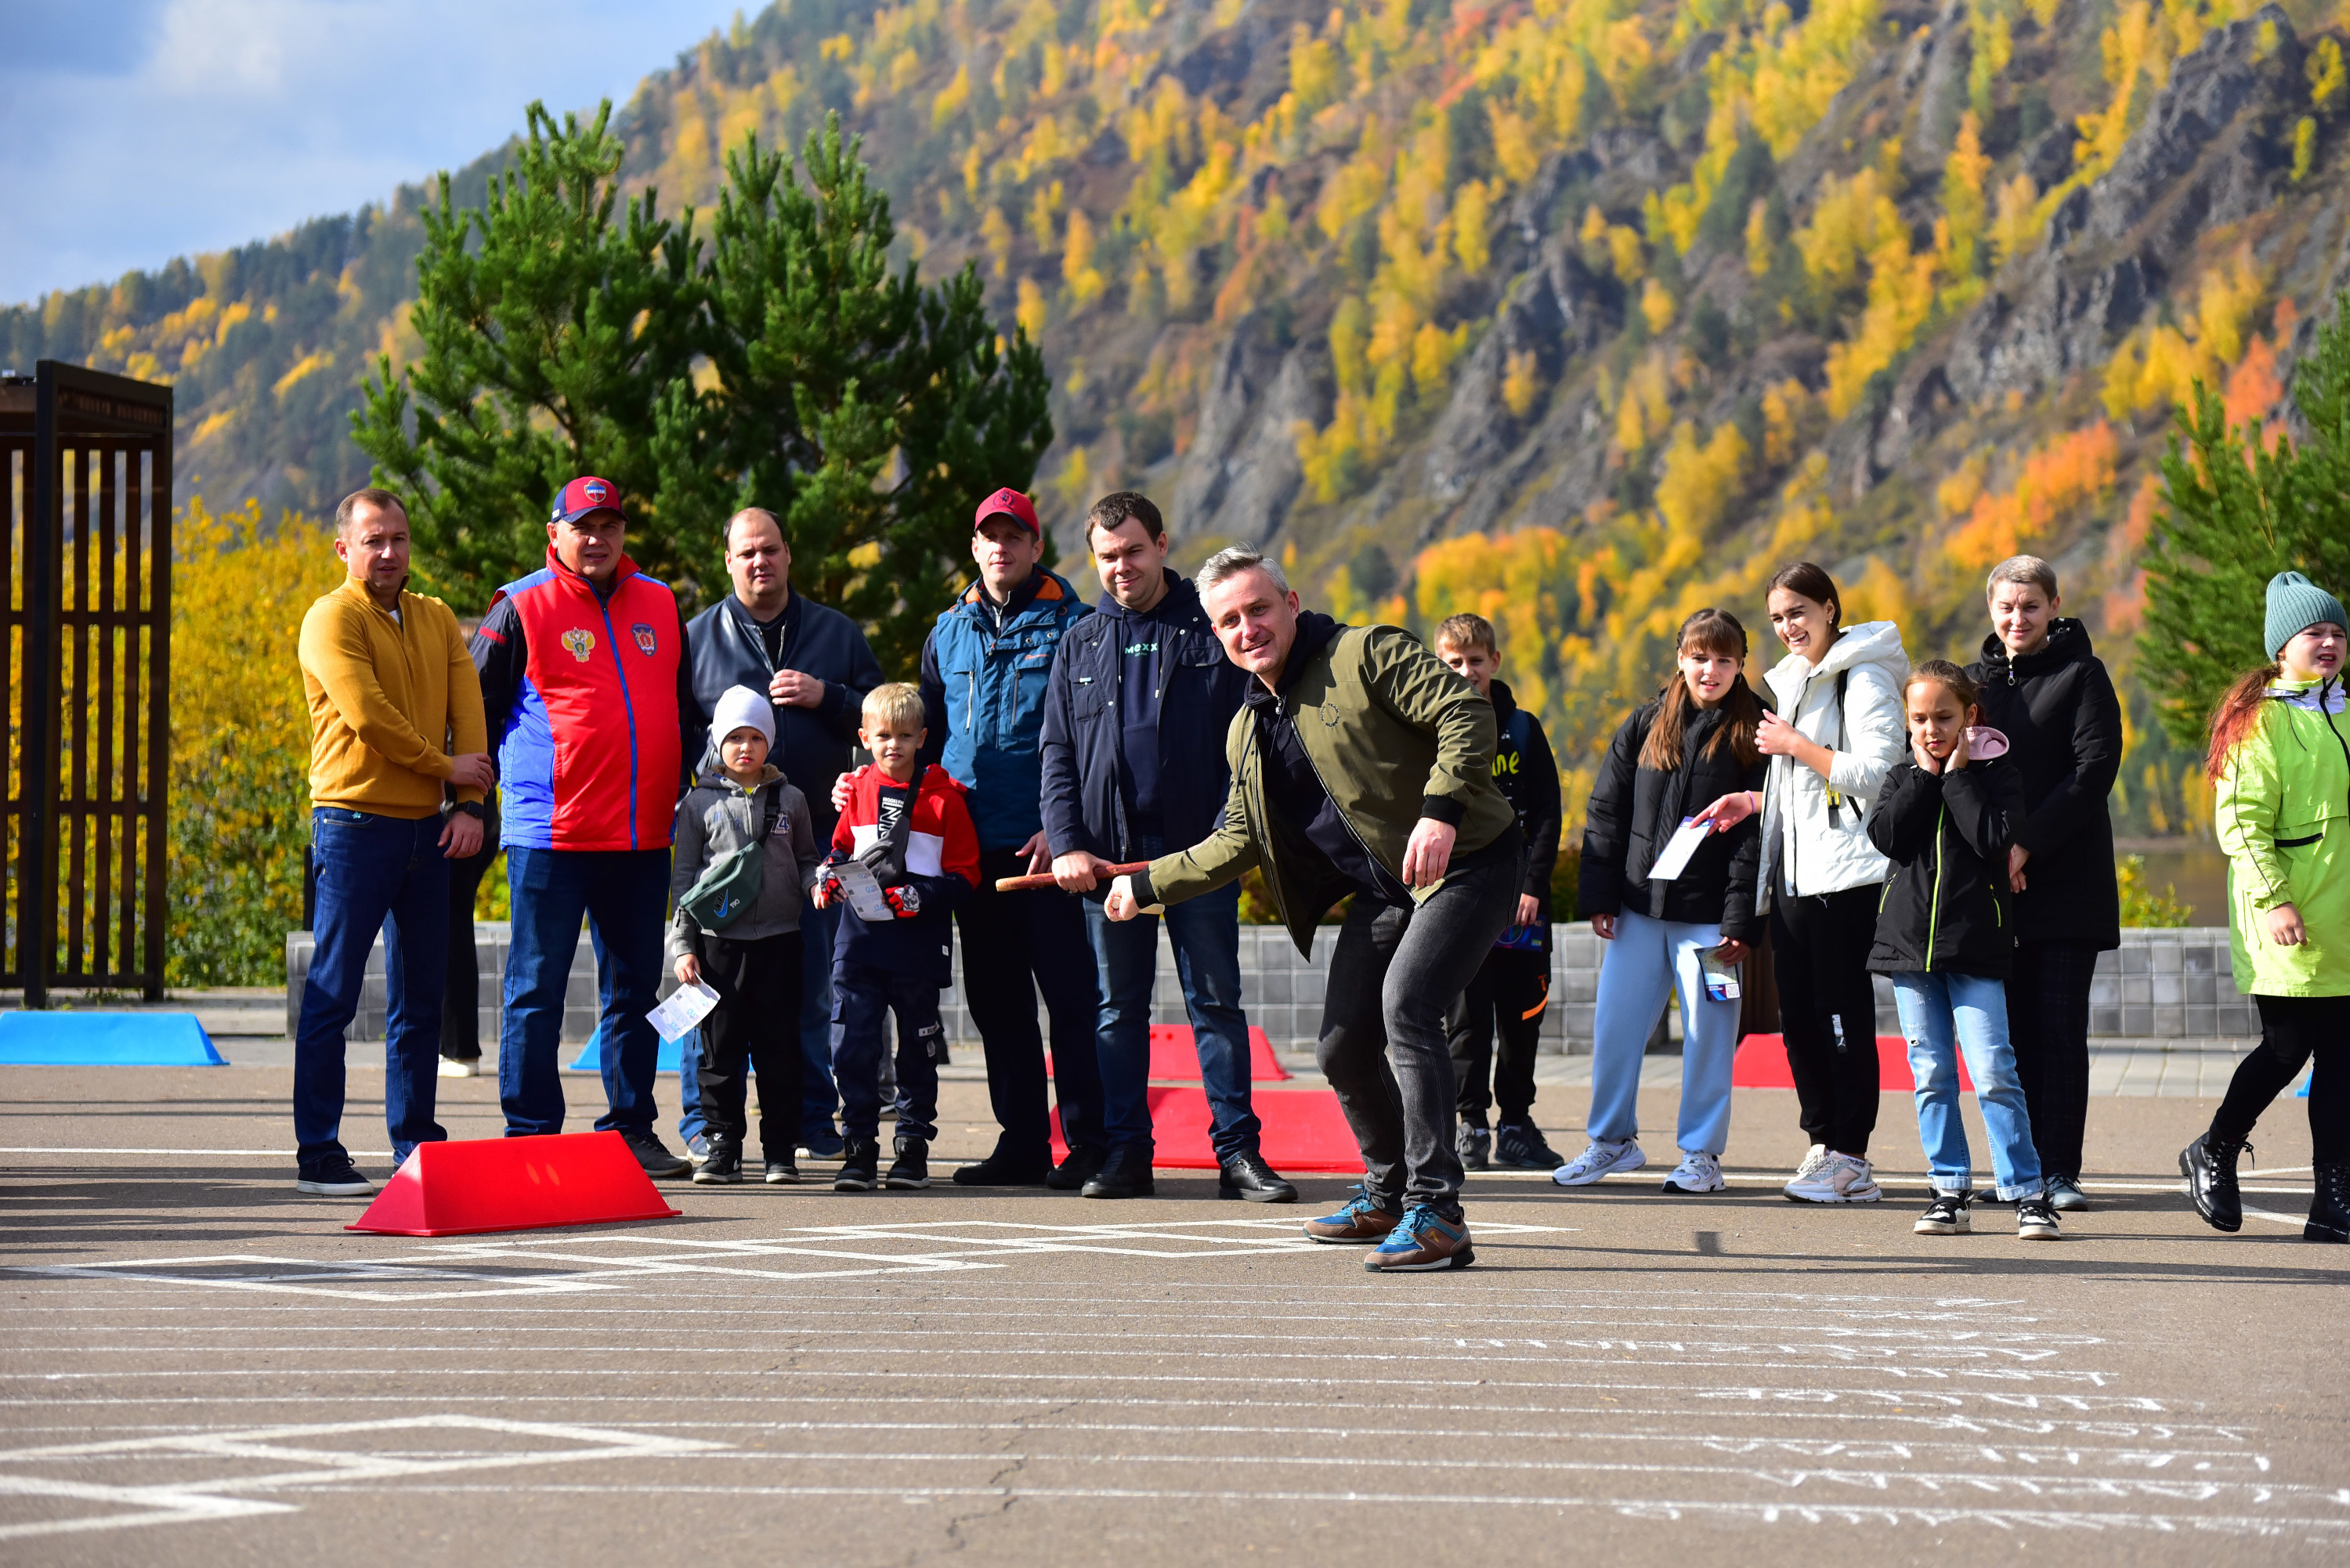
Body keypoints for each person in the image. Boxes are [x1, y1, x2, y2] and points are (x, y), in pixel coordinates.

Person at [1105, 544, 1521, 1272]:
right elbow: (1233, 840)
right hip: (1390, 890)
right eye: (1229, 620)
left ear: (1291, 604)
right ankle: (1387, 1194)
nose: (1248, 628)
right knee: (1339, 1047)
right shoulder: (1249, 729)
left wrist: (1441, 810)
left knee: (1409, 1006)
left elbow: (1464, 712)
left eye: (1259, 608)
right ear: (1217, 635)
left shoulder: (1367, 653)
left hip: (1470, 860)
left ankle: (1437, 1212)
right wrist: (1143, 886)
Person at [1039, 492, 1296, 1202]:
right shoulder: (1079, 641)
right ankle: (1127, 1155)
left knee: (1214, 1005)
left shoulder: (1207, 625)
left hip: (1197, 860)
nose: (1121, 568)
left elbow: (1248, 741)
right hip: (1106, 863)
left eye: (1133, 551)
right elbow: (1057, 753)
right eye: (1106, 557)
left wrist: (1226, 836)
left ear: (1160, 544)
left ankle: (1238, 1155)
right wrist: (1066, 844)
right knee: (1118, 1012)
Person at [471, 475, 696, 1175]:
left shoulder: (660, 602)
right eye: (582, 526)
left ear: (623, 533)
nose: (596, 539)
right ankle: (531, 1133)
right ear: (555, 534)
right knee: (536, 988)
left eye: (609, 525)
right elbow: (473, 706)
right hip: (552, 834)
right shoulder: (519, 605)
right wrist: (469, 803)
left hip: (640, 835)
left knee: (635, 989)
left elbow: (683, 711)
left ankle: (630, 1127)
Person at [906, 487, 1107, 1189]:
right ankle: (1022, 1143)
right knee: (998, 1005)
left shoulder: (1076, 626)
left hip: (1048, 850)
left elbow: (1094, 740)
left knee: (1072, 1001)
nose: (1001, 547)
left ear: (1035, 547)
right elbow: (922, 741)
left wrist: (1065, 826)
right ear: (974, 547)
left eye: (1014, 537)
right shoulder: (946, 632)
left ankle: (1088, 1144)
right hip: (970, 854)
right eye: (989, 536)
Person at [291, 487, 490, 1194]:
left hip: (428, 830)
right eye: (373, 540)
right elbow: (369, 715)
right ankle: (319, 1151)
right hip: (352, 824)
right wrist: (445, 769)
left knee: (421, 996)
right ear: (344, 548)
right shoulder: (329, 618)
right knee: (334, 991)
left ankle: (416, 1146)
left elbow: (469, 712)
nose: (388, 552)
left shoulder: (437, 618)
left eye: (399, 538)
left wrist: (468, 801)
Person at [1693, 564, 1907, 1203]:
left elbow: (1880, 772)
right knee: (1801, 1020)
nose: (1789, 627)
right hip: (1793, 872)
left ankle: (1853, 1156)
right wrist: (1754, 801)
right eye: (1779, 617)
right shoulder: (1791, 682)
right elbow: (1802, 786)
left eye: (1799, 613)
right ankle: (1822, 1142)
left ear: (1830, 610)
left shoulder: (1863, 675)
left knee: (1842, 1015)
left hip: (1845, 875)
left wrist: (1795, 743)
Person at [681, 507, 884, 1163]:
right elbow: (676, 736)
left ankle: (809, 1123)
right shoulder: (697, 639)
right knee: (709, 1002)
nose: (759, 562)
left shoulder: (835, 632)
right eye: (747, 553)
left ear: (788, 555)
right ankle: (703, 1126)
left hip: (815, 851)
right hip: (719, 861)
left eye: (770, 549)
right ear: (729, 562)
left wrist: (829, 696)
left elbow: (887, 720)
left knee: (809, 994)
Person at [1555, 609, 1766, 1197]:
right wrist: (1599, 893)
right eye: (1700, 657)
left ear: (1740, 664)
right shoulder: (1645, 722)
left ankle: (1701, 1155)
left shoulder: (1756, 732)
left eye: (1725, 659)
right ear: (1681, 658)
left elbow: (1755, 842)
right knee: (1616, 1028)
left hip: (1711, 924)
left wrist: (1740, 922)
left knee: (1709, 1037)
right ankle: (1612, 1143)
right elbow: (1606, 811)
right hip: (1637, 912)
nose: (1711, 670)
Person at [2181, 573, 2350, 1243]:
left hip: (2344, 915)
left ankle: (2334, 1198)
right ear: (2283, 648)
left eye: (2338, 631)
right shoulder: (2263, 721)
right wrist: (2276, 900)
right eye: (2315, 633)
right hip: (2286, 914)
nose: (2330, 641)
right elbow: (2242, 824)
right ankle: (2215, 1148)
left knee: (2342, 1057)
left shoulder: (2345, 711)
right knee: (2287, 1048)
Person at [1867, 659, 2059, 1241]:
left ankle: (2027, 1192)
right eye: (1919, 718)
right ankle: (1949, 1188)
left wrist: (1955, 778)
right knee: (1930, 1072)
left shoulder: (1998, 774)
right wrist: (1926, 779)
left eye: (1943, 717)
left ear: (1969, 716)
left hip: (1976, 947)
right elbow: (1888, 838)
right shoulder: (1902, 776)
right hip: (1909, 952)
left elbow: (1993, 840)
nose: (1931, 728)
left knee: (1995, 1068)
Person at [1965, 555, 2122, 1213]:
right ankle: (2014, 1169)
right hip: (1993, 887)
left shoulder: (2083, 675)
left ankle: (2058, 1170)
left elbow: (2092, 771)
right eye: (2006, 606)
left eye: (2030, 606)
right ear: (1992, 611)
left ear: (2055, 606)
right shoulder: (1973, 682)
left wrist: (2026, 844)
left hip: (2066, 886)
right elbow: (1954, 774)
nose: (2017, 618)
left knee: (2057, 1033)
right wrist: (1994, 850)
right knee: (2001, 1039)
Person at [815, 683, 982, 1191]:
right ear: (865, 737)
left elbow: (966, 875)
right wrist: (825, 880)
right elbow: (838, 851)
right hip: (859, 945)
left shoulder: (944, 798)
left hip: (916, 949)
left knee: (917, 1051)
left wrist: (918, 898)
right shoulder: (857, 789)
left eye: (905, 735)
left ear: (922, 738)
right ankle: (859, 1150)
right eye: (884, 735)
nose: (894, 745)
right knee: (853, 1048)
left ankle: (911, 1149)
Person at [667, 685, 822, 1186]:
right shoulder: (698, 804)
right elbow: (685, 880)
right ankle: (722, 1147)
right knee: (720, 1052)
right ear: (717, 742)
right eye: (735, 737)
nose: (745, 747)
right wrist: (684, 947)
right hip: (717, 946)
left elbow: (804, 861)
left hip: (780, 941)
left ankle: (780, 1150)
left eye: (756, 736)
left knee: (781, 1050)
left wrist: (816, 883)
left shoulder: (791, 799)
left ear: (770, 743)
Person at [1430, 612, 1566, 1173]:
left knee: (1522, 1017)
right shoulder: (1429, 731)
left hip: (1522, 907)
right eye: (1454, 663)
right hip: (1459, 901)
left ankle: (1516, 1124)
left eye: (1475, 662)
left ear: (1494, 662)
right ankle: (1470, 1128)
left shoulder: (1525, 729)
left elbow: (1548, 814)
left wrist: (1532, 886)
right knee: (1465, 1022)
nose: (1466, 672)